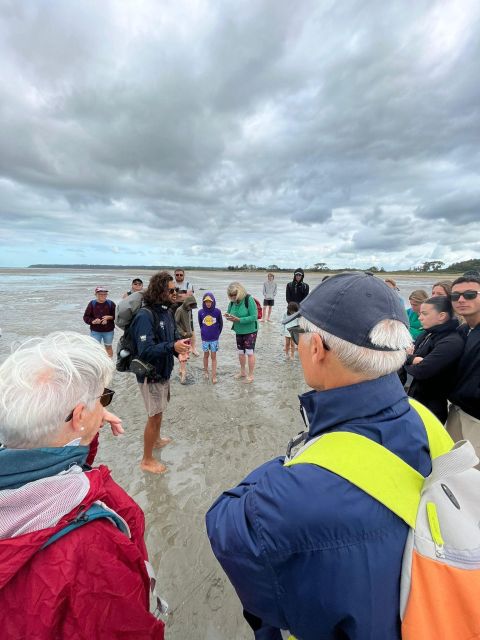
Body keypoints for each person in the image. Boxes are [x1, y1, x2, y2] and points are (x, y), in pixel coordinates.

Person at [206, 272, 431, 640]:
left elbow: (224, 525)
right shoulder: (426, 422)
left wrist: (291, 459)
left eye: (301, 335)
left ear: (317, 349)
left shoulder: (299, 491)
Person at [0, 332, 165, 639]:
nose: (104, 408)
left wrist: (86, 429)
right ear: (78, 416)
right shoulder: (91, 545)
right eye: (104, 399)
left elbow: (49, 464)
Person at [129, 271, 190, 474]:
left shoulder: (167, 311)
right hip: (150, 374)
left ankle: (156, 441)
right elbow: (145, 350)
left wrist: (178, 349)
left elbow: (171, 337)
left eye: (176, 290)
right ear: (159, 290)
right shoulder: (144, 316)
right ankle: (146, 460)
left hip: (163, 371)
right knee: (153, 416)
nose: (175, 293)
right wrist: (172, 346)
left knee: (159, 411)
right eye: (171, 290)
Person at [404, 296, 463, 423]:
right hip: (415, 398)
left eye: (424, 313)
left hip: (432, 406)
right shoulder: (427, 333)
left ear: (441, 316)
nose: (420, 317)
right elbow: (411, 359)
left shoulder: (451, 341)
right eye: (420, 313)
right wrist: (412, 360)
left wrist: (408, 359)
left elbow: (422, 371)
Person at [446, 275, 480, 455]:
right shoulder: (462, 330)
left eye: (470, 294)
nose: (461, 299)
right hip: (456, 409)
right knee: (450, 466)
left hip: (476, 418)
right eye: (455, 296)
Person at [225, 282, 258, 383]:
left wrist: (239, 320)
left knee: (249, 352)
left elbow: (254, 317)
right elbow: (229, 313)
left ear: (240, 292)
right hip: (239, 331)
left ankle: (251, 375)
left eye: (235, 294)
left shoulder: (249, 299)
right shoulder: (232, 302)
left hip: (250, 330)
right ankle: (242, 372)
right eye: (231, 295)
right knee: (240, 352)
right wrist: (228, 316)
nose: (233, 297)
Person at [83, 286, 116, 357]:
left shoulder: (111, 303)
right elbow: (86, 317)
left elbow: (117, 316)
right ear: (96, 294)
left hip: (108, 331)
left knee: (108, 347)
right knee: (95, 349)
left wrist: (109, 317)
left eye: (105, 294)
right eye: (100, 294)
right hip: (95, 331)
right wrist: (93, 321)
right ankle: (98, 365)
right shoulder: (92, 304)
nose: (103, 296)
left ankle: (110, 364)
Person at [198, 292, 223, 384]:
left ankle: (214, 375)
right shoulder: (200, 312)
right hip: (205, 339)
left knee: (213, 357)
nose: (208, 303)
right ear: (204, 302)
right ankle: (205, 371)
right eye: (206, 302)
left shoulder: (217, 312)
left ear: (213, 302)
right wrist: (204, 333)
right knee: (205, 355)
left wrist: (217, 334)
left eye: (210, 301)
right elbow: (201, 324)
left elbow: (221, 324)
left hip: (214, 339)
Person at [173, 269, 199, 355]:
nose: (179, 276)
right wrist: (183, 295)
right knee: (174, 326)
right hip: (174, 307)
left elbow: (189, 297)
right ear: (174, 275)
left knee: (191, 328)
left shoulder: (188, 284)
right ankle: (177, 347)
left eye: (181, 275)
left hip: (187, 308)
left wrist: (178, 296)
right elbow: (171, 297)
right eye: (177, 275)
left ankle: (193, 348)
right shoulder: (172, 284)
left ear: (184, 275)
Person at [174, 294, 197, 384]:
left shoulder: (189, 310)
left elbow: (190, 322)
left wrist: (191, 332)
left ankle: (181, 369)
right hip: (181, 337)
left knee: (185, 353)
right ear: (186, 303)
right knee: (183, 354)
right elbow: (175, 323)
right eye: (190, 305)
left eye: (192, 306)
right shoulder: (179, 310)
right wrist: (183, 333)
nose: (191, 307)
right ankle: (183, 374)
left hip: (188, 336)